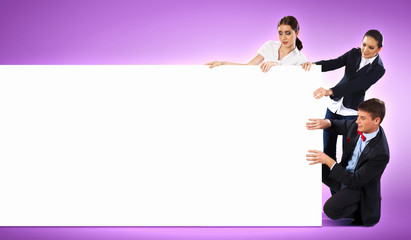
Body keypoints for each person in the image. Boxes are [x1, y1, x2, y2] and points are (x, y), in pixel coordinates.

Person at [301, 30, 385, 164]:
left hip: (351, 113)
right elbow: (334, 63)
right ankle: (331, 184)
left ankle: (343, 185)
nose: (365, 50)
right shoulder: (354, 53)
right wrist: (313, 66)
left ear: (379, 49)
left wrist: (330, 91)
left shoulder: (379, 69)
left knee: (347, 154)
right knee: (327, 150)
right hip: (333, 108)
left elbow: (356, 85)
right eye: (364, 44)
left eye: (371, 47)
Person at [306, 98, 389, 226]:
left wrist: (329, 161)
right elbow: (340, 125)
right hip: (345, 176)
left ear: (376, 120)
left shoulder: (380, 153)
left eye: (362, 118)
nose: (357, 121)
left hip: (358, 187)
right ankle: (343, 195)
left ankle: (358, 207)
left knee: (330, 210)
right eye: (357, 116)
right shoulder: (356, 126)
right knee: (313, 164)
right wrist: (326, 123)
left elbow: (355, 181)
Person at [205, 16, 307, 72]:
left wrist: (277, 66)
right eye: (280, 33)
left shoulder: (300, 59)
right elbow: (248, 66)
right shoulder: (269, 46)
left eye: (288, 33)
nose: (283, 37)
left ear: (297, 33)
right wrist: (223, 63)